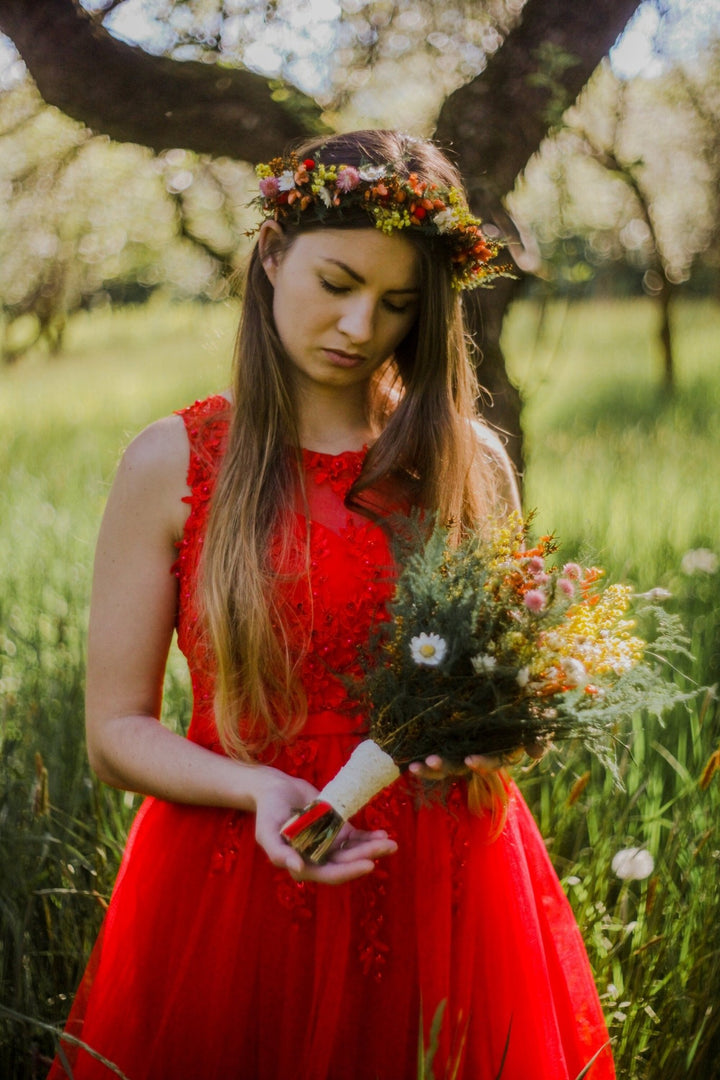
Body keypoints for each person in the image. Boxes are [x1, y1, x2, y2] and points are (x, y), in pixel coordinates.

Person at [49, 130, 615, 1080]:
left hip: (443, 872)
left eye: (397, 304)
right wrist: (264, 788)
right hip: (236, 861)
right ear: (272, 257)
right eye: (337, 283)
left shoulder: (467, 465)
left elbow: (510, 701)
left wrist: (501, 730)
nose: (360, 326)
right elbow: (115, 734)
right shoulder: (175, 463)